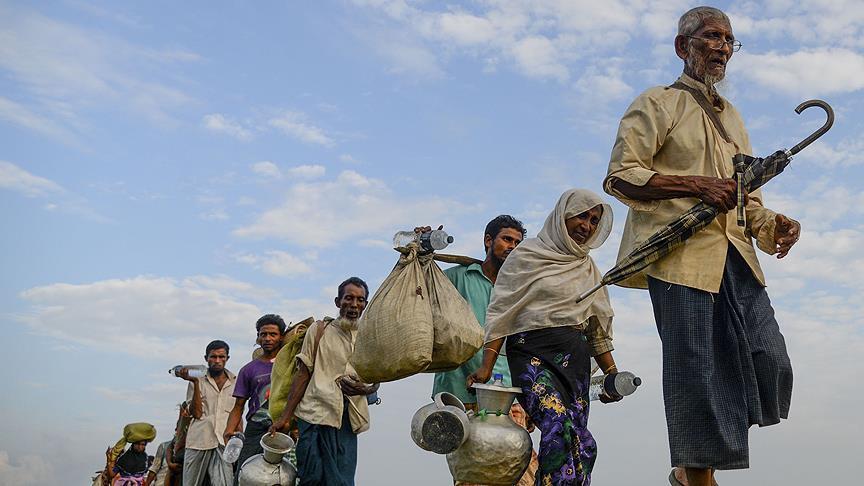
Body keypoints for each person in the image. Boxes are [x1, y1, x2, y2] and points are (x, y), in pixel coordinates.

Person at [603, 6, 798, 486]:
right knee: (694, 369)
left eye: (730, 40)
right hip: (679, 261)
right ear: (682, 46)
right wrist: (694, 184)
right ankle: (695, 473)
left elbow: (744, 196)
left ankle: (703, 453)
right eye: (712, 36)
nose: (723, 47)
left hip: (736, 258)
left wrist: (776, 226)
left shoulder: (731, 115)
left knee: (769, 358)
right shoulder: (657, 102)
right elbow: (621, 177)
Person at [469, 189, 622, 486]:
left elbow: (596, 332)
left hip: (574, 364)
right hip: (531, 356)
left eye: (593, 220)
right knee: (557, 429)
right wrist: (486, 366)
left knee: (583, 446)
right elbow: (502, 313)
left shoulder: (588, 269)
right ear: (562, 215)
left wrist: (613, 375)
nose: (587, 226)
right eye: (581, 215)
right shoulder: (526, 256)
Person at [420, 216, 539, 486]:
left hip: (509, 396)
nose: (513, 247)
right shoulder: (456, 278)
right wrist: (422, 253)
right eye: (507, 239)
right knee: (474, 477)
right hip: (461, 395)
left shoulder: (520, 289)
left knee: (521, 474)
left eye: (518, 243)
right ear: (488, 240)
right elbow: (418, 291)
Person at [269, 277, 377, 486]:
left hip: (347, 421)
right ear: (338, 302)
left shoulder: (369, 337)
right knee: (311, 478)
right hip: (313, 416)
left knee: (342, 481)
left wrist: (366, 388)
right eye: (349, 298)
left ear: (365, 304)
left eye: (360, 300)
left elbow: (376, 380)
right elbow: (303, 374)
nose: (354, 305)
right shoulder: (319, 330)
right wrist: (284, 417)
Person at [224, 314, 286, 482]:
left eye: (273, 334)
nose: (267, 338)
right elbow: (239, 405)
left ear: (281, 337)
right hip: (256, 427)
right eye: (263, 334)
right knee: (245, 474)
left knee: (282, 477)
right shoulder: (249, 369)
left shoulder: (290, 363)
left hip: (284, 428)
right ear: (258, 337)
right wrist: (229, 430)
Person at [179, 340, 235, 486]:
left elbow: (237, 413)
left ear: (227, 358)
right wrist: (196, 383)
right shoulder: (197, 380)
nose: (217, 361)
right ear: (206, 358)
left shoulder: (234, 382)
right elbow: (196, 413)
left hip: (223, 442)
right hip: (199, 440)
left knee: (224, 483)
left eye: (221, 357)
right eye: (213, 357)